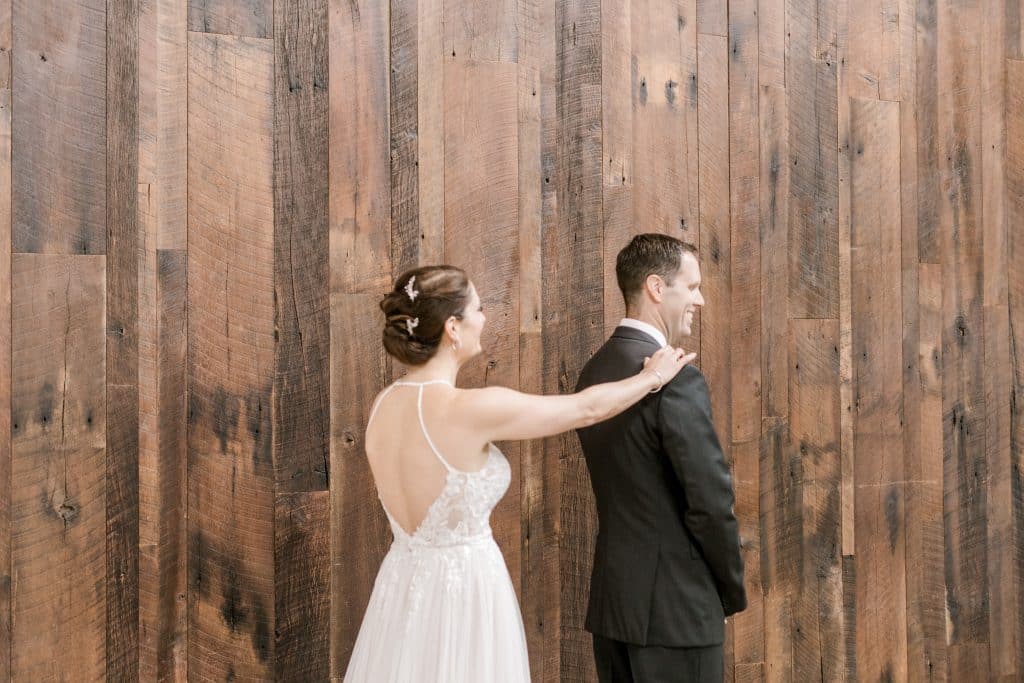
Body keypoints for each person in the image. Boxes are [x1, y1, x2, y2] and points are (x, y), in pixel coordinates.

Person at [344, 264, 695, 682]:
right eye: (479, 308)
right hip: (465, 593)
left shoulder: (383, 407)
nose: (485, 318)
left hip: (401, 589)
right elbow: (584, 408)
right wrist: (653, 376)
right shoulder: (468, 409)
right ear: (453, 328)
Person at [575, 234, 747, 683]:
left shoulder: (594, 372)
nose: (701, 300)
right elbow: (710, 502)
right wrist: (725, 592)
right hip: (678, 612)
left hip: (615, 611)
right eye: (691, 288)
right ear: (656, 287)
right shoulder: (676, 379)